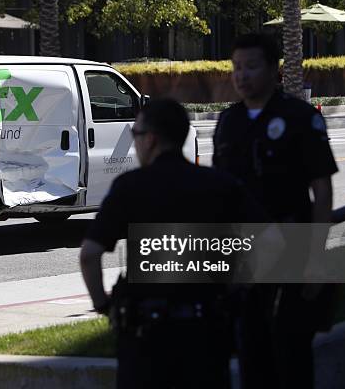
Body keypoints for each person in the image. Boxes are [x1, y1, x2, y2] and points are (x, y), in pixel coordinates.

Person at [80, 98, 267, 388]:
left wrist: (103, 305)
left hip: (146, 341)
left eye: (136, 135)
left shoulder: (130, 187)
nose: (135, 143)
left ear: (151, 140)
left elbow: (89, 255)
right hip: (207, 336)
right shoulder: (219, 184)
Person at [212, 33, 339, 389]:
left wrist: (316, 257)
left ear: (273, 69)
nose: (242, 75)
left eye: (251, 66)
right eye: (236, 67)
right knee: (251, 354)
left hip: (291, 252)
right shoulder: (228, 123)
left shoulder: (299, 117)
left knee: (292, 354)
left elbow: (322, 190)